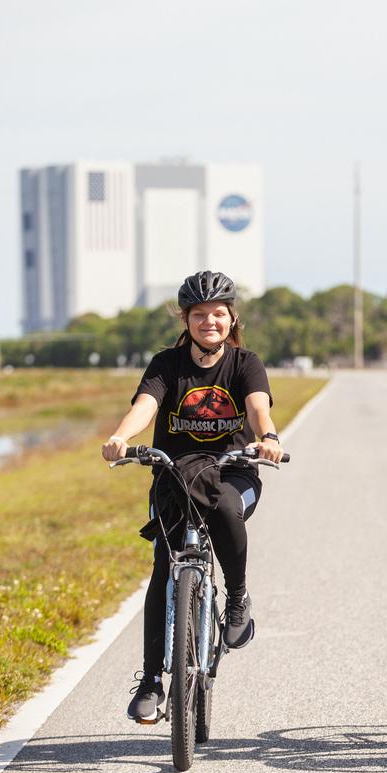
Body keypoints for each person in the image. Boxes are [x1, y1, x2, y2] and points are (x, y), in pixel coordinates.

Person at [102, 270, 283, 723]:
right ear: (185, 320)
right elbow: (145, 406)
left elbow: (259, 407)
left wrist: (269, 437)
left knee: (224, 508)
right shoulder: (166, 364)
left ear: (231, 317)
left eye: (218, 314)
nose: (209, 322)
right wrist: (121, 437)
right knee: (164, 566)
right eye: (199, 314)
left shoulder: (245, 363)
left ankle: (237, 598)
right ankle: (150, 681)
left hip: (232, 472)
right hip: (175, 476)